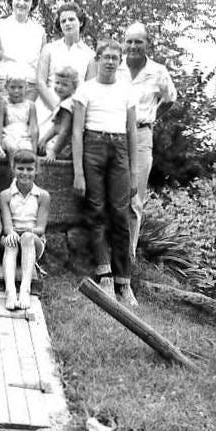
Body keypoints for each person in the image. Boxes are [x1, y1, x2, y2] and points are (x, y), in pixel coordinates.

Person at [72, 39, 138, 307]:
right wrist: (78, 172)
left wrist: (134, 172)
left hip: (119, 148)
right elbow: (76, 131)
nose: (110, 61)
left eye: (115, 57)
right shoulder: (85, 89)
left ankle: (124, 280)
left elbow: (132, 132)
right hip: (93, 146)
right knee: (96, 209)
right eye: (106, 57)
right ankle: (105, 274)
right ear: (97, 59)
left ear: (120, 61)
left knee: (120, 213)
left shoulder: (126, 90)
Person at [118, 22, 177, 258]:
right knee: (111, 195)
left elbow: (170, 99)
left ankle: (127, 256)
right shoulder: (115, 66)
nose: (133, 46)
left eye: (138, 41)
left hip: (142, 136)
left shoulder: (158, 71)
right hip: (114, 134)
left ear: (147, 43)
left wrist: (151, 118)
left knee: (134, 199)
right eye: (129, 41)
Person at [0, 149, 50, 310]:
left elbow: (40, 228)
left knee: (27, 237)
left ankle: (25, 290)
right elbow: (7, 227)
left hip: (33, 241)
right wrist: (12, 233)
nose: (25, 173)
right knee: (11, 241)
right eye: (20, 168)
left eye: (29, 169)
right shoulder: (5, 195)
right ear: (13, 169)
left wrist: (26, 231)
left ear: (37, 170)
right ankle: (10, 290)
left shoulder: (42, 196)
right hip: (13, 237)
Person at [36, 2, 94, 131]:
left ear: (81, 22)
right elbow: (40, 82)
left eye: (71, 19)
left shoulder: (90, 55)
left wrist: (71, 113)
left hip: (74, 110)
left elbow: (90, 90)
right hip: (47, 107)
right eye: (63, 21)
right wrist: (57, 108)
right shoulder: (49, 49)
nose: (67, 23)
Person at [0, 0, 46, 102]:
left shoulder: (39, 31)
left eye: (26, 0)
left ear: (32, 4)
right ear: (11, 0)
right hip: (3, 85)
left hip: (30, 88)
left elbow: (42, 65)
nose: (21, 3)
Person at [38, 66, 79, 161]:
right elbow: (56, 126)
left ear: (74, 88)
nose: (60, 87)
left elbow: (64, 131)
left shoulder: (67, 105)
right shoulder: (63, 102)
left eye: (65, 85)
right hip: (57, 143)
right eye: (57, 83)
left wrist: (54, 151)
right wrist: (44, 139)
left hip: (63, 148)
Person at [0, 68, 39, 164]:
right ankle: (14, 171)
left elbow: (33, 127)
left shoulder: (30, 105)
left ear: (26, 87)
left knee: (27, 148)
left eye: (20, 87)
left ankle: (26, 171)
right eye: (12, 87)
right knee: (12, 147)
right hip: (8, 135)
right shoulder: (4, 104)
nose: (16, 91)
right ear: (6, 87)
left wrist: (34, 147)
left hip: (24, 136)